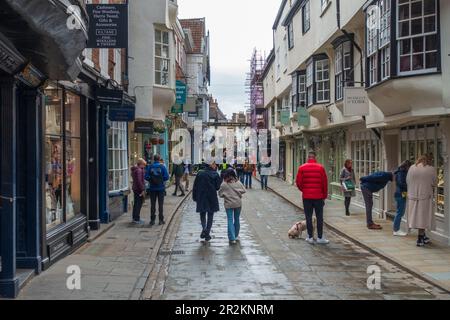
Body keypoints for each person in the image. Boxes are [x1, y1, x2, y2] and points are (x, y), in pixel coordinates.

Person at [296, 151, 329, 245]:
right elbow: (324, 183)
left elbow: (298, 182)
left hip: (306, 197)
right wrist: (324, 196)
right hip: (318, 197)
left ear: (308, 158)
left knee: (308, 217)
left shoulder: (302, 168)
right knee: (319, 217)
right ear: (315, 157)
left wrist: (304, 190)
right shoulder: (321, 168)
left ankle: (310, 237)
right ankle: (320, 237)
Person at [407, 155, 437, 247]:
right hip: (425, 197)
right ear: (428, 161)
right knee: (423, 218)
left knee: (416, 217)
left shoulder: (412, 168)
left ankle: (423, 236)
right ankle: (420, 239)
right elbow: (435, 182)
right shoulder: (431, 169)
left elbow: (407, 180)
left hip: (413, 197)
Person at [192, 161, 222, 242]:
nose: (216, 165)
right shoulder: (215, 174)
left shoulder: (200, 173)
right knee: (210, 214)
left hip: (201, 196)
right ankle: (207, 232)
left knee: (202, 213)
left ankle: (204, 229)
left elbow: (195, 186)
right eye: (215, 164)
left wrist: (194, 196)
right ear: (211, 164)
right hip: (211, 196)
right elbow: (217, 187)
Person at [219, 169, 246, 245]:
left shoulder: (224, 184)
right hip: (238, 203)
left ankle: (232, 238)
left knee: (230, 220)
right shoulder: (237, 182)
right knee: (237, 219)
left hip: (228, 204)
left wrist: (226, 195)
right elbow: (244, 190)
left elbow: (220, 194)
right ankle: (236, 235)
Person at [146, 155, 170, 226]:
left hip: (152, 188)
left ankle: (152, 220)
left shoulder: (150, 166)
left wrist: (152, 180)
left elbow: (146, 176)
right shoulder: (162, 167)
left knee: (152, 204)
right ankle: (160, 220)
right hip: (161, 188)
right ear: (159, 159)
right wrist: (161, 180)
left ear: (153, 159)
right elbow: (166, 177)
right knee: (160, 204)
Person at [393, 160, 411, 236]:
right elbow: (401, 183)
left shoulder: (400, 172)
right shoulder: (401, 173)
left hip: (400, 193)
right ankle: (396, 230)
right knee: (400, 212)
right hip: (400, 193)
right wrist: (409, 187)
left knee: (400, 212)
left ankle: (396, 229)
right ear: (407, 166)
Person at [131, 158, 147, 225]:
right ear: (141, 164)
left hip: (136, 188)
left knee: (136, 204)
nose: (144, 166)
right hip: (138, 189)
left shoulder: (135, 169)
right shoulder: (139, 171)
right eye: (144, 165)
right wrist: (142, 189)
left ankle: (135, 218)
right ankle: (136, 219)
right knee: (138, 204)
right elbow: (139, 181)